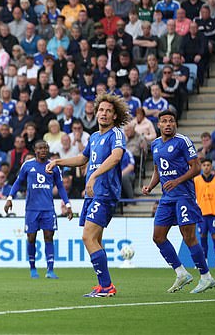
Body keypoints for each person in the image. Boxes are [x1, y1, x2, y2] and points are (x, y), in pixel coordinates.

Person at [46, 94, 129, 297]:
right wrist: (58, 162)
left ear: (115, 116)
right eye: (101, 110)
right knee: (96, 240)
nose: (104, 113)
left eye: (109, 111)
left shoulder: (116, 134)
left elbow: (116, 157)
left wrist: (94, 176)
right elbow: (82, 159)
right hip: (93, 195)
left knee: (87, 237)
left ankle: (107, 286)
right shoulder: (94, 137)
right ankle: (103, 285)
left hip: (105, 193)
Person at [142, 110, 215, 294]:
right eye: (164, 121)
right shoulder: (155, 144)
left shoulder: (183, 141)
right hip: (166, 198)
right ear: (158, 125)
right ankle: (181, 273)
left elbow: (196, 167)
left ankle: (206, 277)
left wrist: (178, 181)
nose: (168, 124)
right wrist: (150, 186)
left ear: (175, 124)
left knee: (188, 237)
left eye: (171, 121)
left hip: (184, 195)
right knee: (157, 236)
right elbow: (158, 170)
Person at [5, 140, 73, 279]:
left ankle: (50, 270)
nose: (43, 150)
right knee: (31, 237)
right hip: (31, 209)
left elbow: (60, 187)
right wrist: (10, 198)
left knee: (49, 236)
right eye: (40, 148)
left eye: (45, 148)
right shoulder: (28, 165)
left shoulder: (53, 166)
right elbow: (18, 182)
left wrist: (68, 205)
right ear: (35, 150)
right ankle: (32, 268)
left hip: (48, 209)